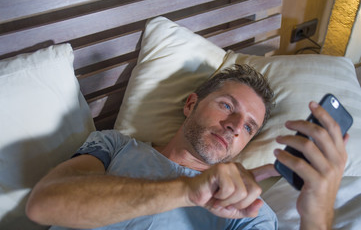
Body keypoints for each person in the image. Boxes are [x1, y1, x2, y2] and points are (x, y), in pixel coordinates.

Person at [25, 64, 348, 230]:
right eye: (226, 105)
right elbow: (43, 205)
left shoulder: (247, 206)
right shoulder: (114, 144)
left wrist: (318, 217)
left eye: (249, 127)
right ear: (191, 104)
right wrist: (188, 191)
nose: (236, 125)